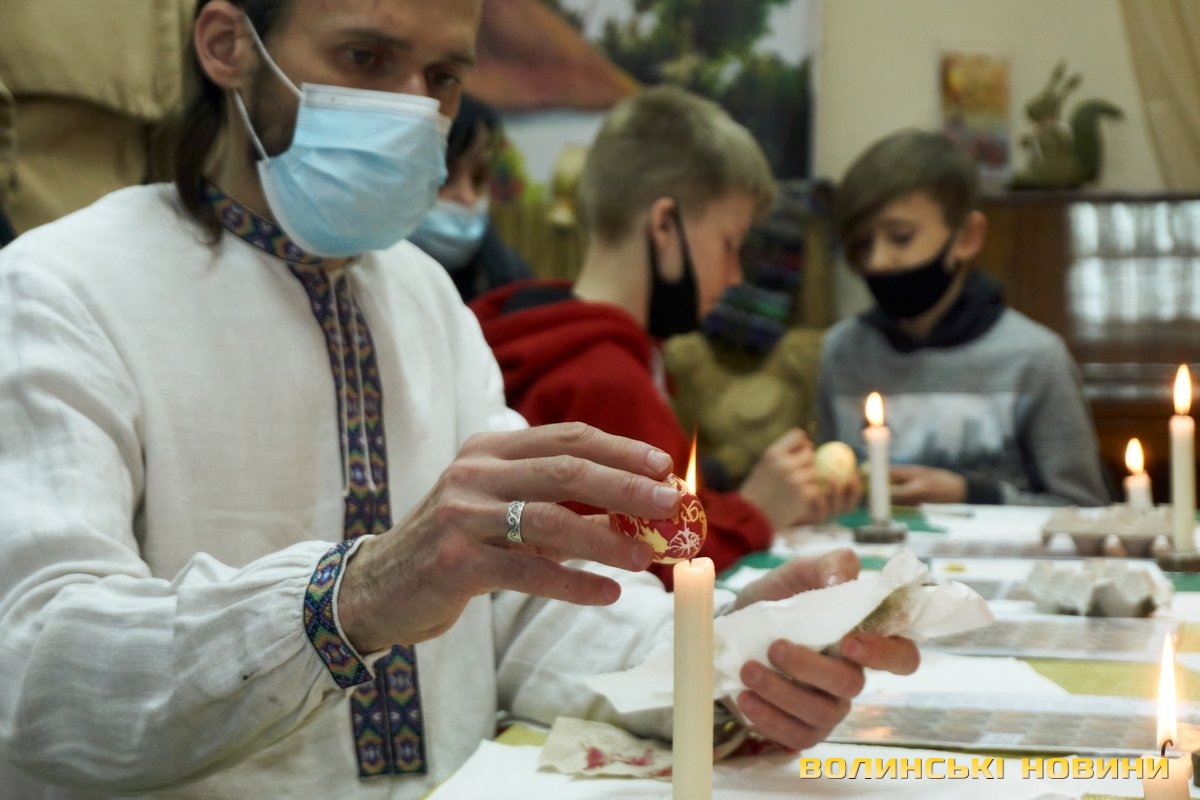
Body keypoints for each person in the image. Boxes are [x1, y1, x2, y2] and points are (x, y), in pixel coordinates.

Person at [0, 3, 918, 797]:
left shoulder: (423, 297)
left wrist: (726, 651)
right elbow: (35, 670)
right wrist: (357, 595)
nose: (411, 108)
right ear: (227, 45)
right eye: (365, 57)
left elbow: (520, 606)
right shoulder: (61, 289)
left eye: (441, 77)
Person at [471, 87, 860, 587]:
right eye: (730, 244)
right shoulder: (603, 378)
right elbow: (648, 569)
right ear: (663, 227)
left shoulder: (582, 337)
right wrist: (756, 513)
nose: (736, 276)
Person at [818, 128, 1109, 507]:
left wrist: (971, 494)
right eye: (861, 245)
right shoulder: (841, 352)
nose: (877, 261)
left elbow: (1084, 509)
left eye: (901, 237)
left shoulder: (1035, 358)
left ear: (967, 237)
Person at [408, 92, 533, 302]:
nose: (468, 197)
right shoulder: (362, 283)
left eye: (478, 178)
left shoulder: (511, 280)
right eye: (442, 177)